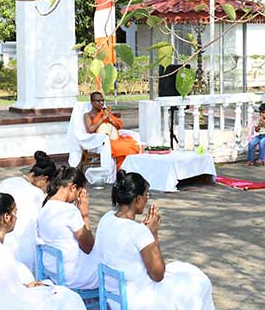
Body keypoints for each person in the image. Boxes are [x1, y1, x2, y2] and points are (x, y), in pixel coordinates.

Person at [96, 171, 215, 310]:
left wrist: (145, 235)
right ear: (137, 199)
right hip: (138, 300)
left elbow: (125, 241)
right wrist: (153, 235)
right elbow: (158, 275)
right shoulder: (140, 232)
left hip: (113, 295)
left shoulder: (107, 218)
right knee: (200, 282)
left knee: (184, 268)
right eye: (147, 194)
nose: (147, 199)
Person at [0, 193, 86, 310]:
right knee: (70, 298)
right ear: (6, 217)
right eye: (15, 213)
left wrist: (25, 286)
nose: (16, 217)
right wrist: (35, 289)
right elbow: (15, 299)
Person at [0, 151, 57, 274]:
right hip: (23, 243)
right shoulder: (35, 193)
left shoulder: (8, 182)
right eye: (47, 185)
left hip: (0, 235)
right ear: (44, 179)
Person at [36, 166, 98, 290]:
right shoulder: (69, 211)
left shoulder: (45, 207)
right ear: (73, 188)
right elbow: (88, 246)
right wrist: (84, 215)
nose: (77, 197)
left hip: (52, 269)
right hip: (72, 275)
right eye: (79, 192)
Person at [85, 92, 140, 170]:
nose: (101, 103)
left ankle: (128, 170)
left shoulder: (106, 112)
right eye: (98, 101)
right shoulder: (88, 115)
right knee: (124, 148)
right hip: (102, 141)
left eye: (102, 100)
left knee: (133, 144)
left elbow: (118, 127)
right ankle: (121, 170)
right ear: (92, 102)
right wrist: (102, 118)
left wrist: (110, 119)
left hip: (116, 139)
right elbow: (91, 129)